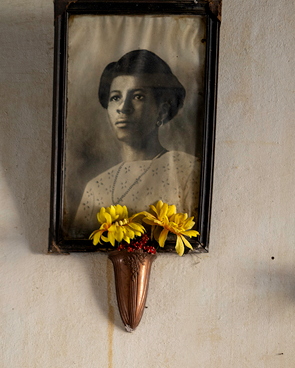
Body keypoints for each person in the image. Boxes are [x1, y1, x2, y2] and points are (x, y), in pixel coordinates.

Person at [73, 49, 200, 236]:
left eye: (138, 96)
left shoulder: (187, 170)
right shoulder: (96, 187)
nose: (123, 108)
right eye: (116, 97)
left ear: (162, 111)